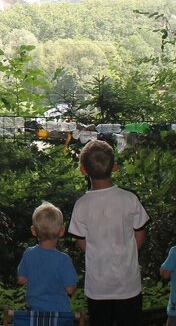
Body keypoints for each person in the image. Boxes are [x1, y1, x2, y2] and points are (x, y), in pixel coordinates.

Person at [67, 139, 150, 326]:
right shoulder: (129, 199)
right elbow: (140, 233)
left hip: (98, 287)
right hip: (128, 285)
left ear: (83, 170)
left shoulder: (81, 205)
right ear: (115, 167)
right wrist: (126, 252)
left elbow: (81, 241)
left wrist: (99, 253)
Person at [16, 202, 79, 312]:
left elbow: (21, 279)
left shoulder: (29, 254)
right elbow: (70, 290)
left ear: (33, 231)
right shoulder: (63, 260)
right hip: (59, 316)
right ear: (61, 231)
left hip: (34, 315)